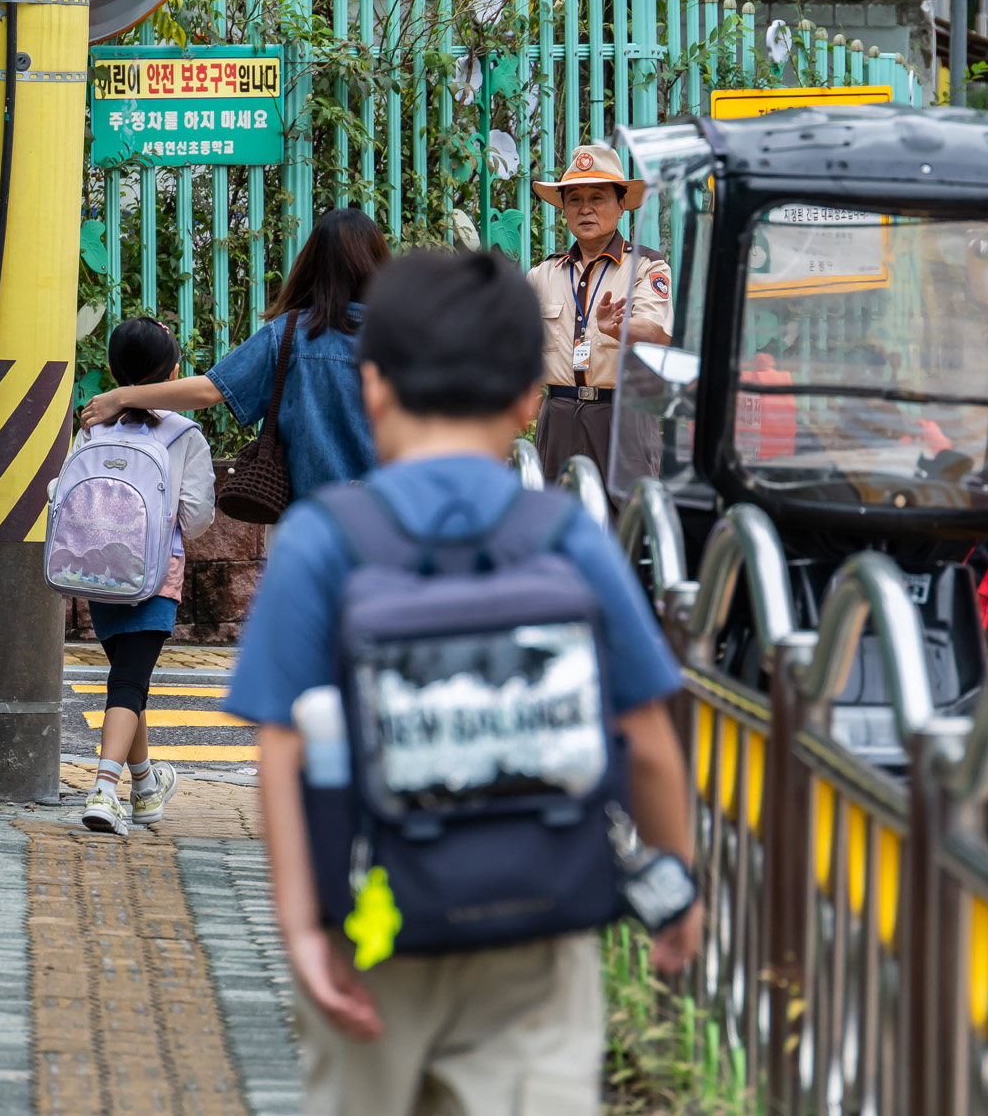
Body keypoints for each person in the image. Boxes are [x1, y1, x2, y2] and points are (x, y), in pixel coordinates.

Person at [225, 250, 701, 1116]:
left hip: (374, 929)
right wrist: (678, 888)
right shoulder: (567, 536)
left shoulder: (324, 541)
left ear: (374, 389)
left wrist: (302, 926)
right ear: (529, 399)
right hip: (541, 922)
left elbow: (281, 752)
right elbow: (650, 740)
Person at [79, 207, 388, 495]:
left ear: (312, 265)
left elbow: (209, 391)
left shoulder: (289, 333)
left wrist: (121, 396)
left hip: (307, 523)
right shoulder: (406, 337)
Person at [74, 318, 217, 835]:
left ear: (112, 372)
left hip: (95, 571)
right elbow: (198, 518)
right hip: (155, 574)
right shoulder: (184, 434)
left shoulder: (93, 425)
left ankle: (147, 786)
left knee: (126, 682)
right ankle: (105, 791)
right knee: (130, 683)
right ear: (172, 374)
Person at [526, 145, 674, 483]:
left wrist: (618, 328)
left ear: (621, 205)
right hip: (558, 414)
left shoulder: (647, 266)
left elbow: (657, 332)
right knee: (556, 518)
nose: (585, 209)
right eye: (574, 199)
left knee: (625, 522)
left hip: (624, 415)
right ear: (563, 208)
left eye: (598, 197)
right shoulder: (543, 274)